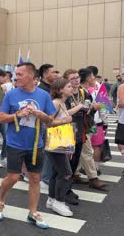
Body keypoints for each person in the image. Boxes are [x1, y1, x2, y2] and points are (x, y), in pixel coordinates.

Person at [0, 62, 55, 229]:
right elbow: (1, 118)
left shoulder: (43, 95)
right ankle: (0, 199)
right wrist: (18, 114)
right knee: (13, 177)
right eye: (16, 74)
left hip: (36, 144)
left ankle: (32, 212)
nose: (15, 77)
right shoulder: (11, 95)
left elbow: (50, 120)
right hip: (15, 143)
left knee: (35, 178)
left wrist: (41, 114)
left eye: (20, 74)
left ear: (31, 76)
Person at [46, 78, 84, 217]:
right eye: (68, 86)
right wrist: (64, 121)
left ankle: (52, 200)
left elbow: (67, 115)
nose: (71, 88)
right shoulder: (56, 103)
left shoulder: (61, 103)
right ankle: (59, 202)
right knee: (66, 173)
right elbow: (48, 122)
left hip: (60, 143)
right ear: (60, 89)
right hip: (56, 143)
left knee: (56, 173)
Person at [76, 68, 107, 190]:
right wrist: (94, 108)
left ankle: (76, 173)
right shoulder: (82, 92)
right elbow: (84, 111)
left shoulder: (83, 91)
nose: (95, 78)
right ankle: (93, 178)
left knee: (81, 151)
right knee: (88, 151)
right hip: (82, 127)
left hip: (85, 126)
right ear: (88, 78)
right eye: (93, 76)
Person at [38, 64, 59, 188]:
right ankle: (45, 178)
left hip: (51, 123)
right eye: (53, 72)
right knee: (47, 152)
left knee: (48, 151)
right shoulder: (42, 89)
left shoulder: (50, 88)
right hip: (46, 124)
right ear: (45, 75)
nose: (56, 74)